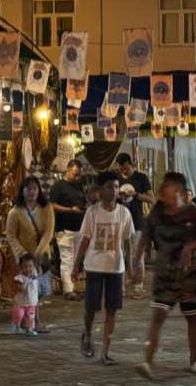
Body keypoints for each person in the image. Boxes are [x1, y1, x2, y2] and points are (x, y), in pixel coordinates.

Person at [133, 172, 196, 379]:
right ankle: (147, 361)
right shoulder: (158, 211)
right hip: (164, 273)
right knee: (158, 315)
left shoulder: (193, 212)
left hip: (188, 274)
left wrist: (191, 247)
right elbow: (145, 236)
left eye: (166, 186)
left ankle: (194, 360)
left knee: (192, 317)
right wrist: (136, 261)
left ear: (177, 189)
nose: (161, 189)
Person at [72, 171, 135, 365]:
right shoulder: (92, 212)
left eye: (116, 186)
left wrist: (131, 267)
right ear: (100, 190)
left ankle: (106, 351)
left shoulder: (124, 213)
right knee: (91, 308)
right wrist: (76, 265)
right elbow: (85, 239)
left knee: (112, 310)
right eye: (109, 187)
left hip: (116, 268)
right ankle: (87, 333)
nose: (113, 190)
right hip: (94, 266)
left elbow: (128, 242)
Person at [5, 177, 56, 330]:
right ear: (22, 191)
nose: (32, 192)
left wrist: (38, 252)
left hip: (41, 255)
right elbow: (11, 235)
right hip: (24, 258)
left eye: (34, 188)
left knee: (39, 290)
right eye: (28, 189)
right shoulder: (15, 212)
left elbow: (48, 232)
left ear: (39, 190)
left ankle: (31, 319)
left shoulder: (46, 208)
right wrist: (22, 253)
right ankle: (29, 320)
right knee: (26, 289)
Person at [116, 153, 154, 299]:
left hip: (137, 221)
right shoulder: (116, 178)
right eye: (121, 169)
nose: (124, 171)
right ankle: (120, 287)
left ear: (131, 164)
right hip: (118, 221)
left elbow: (151, 199)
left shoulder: (141, 178)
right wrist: (117, 196)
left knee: (136, 255)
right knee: (119, 254)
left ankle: (138, 286)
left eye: (126, 168)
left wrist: (136, 194)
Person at [50, 159, 86, 301]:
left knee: (76, 259)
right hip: (64, 229)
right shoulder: (58, 187)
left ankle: (74, 287)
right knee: (67, 259)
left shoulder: (78, 186)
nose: (77, 177)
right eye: (75, 174)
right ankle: (68, 290)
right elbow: (52, 205)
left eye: (79, 175)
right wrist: (70, 210)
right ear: (68, 169)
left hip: (78, 228)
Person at [13, 254, 39, 336]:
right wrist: (20, 288)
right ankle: (17, 327)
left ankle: (29, 329)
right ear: (21, 267)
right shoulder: (19, 277)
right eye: (25, 266)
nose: (28, 269)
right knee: (19, 315)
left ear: (34, 267)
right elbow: (18, 287)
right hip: (20, 302)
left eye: (30, 266)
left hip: (31, 302)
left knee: (31, 317)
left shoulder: (34, 275)